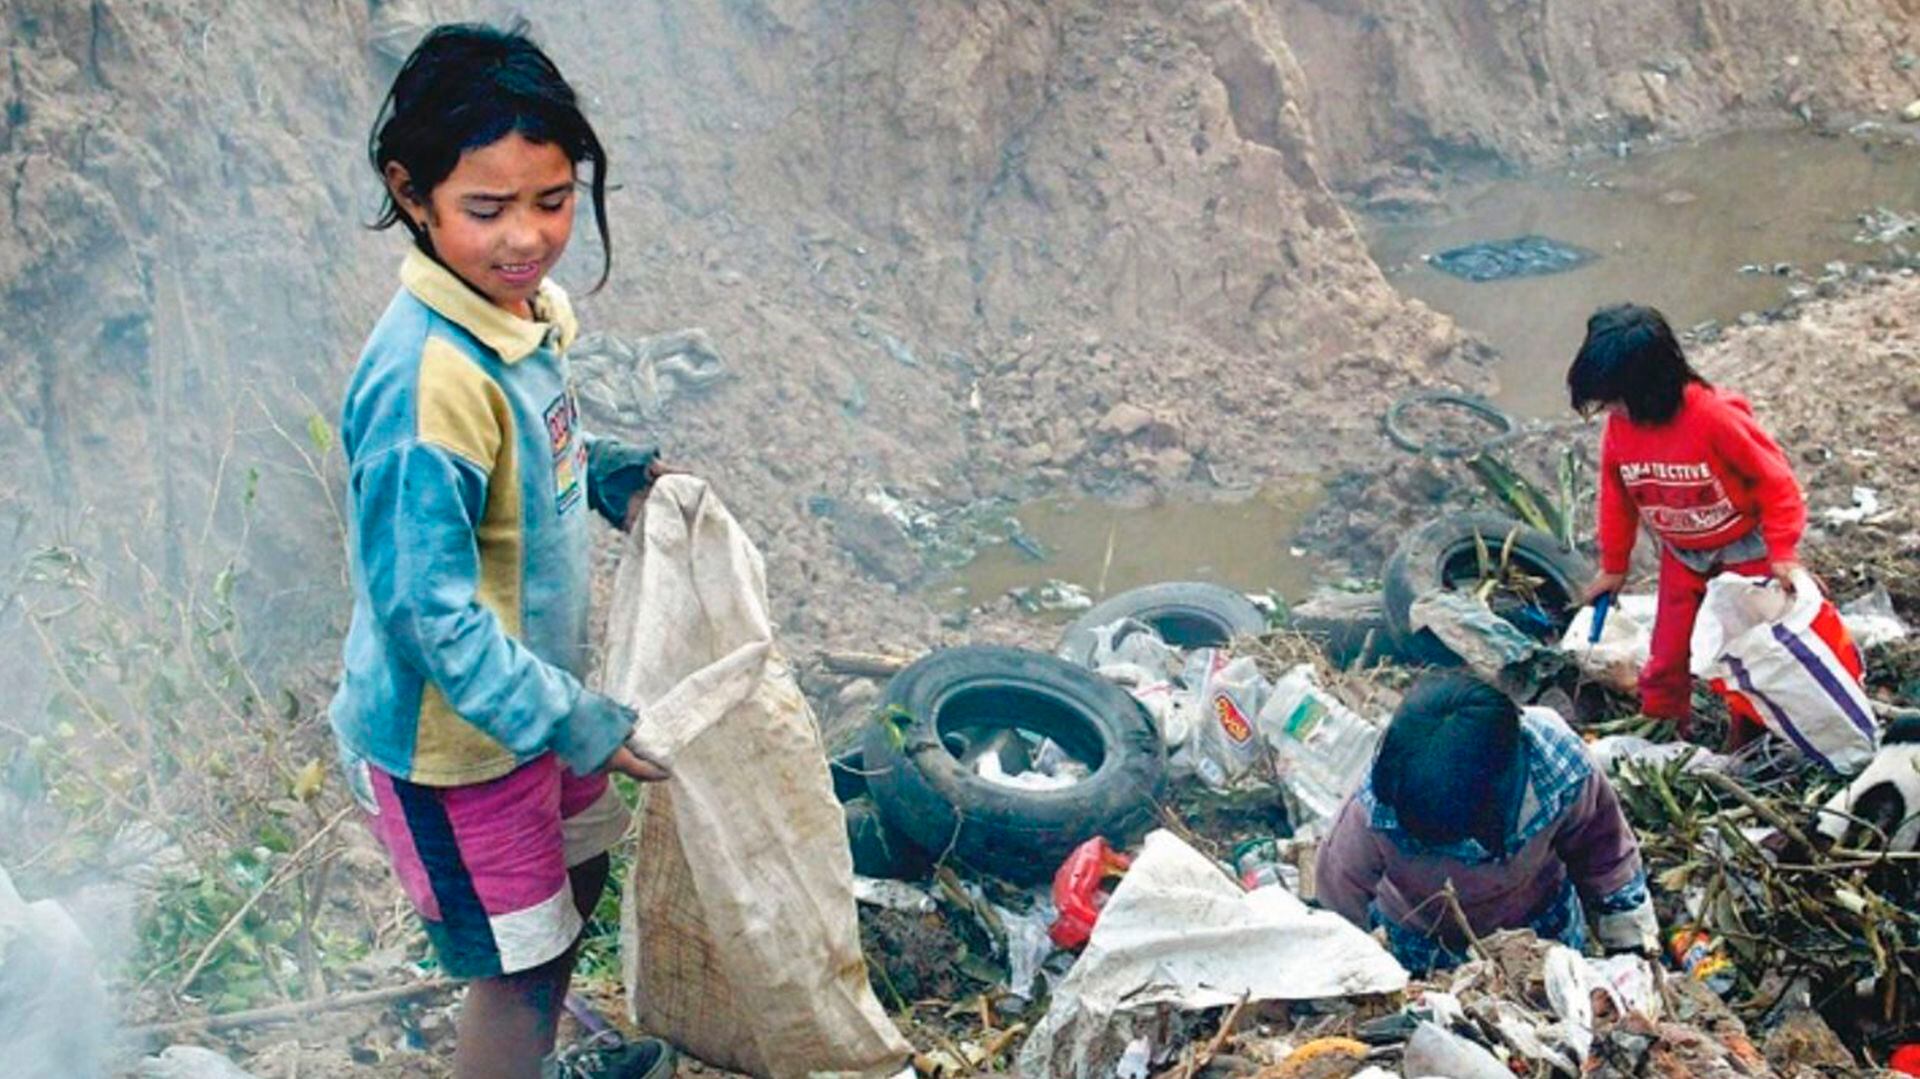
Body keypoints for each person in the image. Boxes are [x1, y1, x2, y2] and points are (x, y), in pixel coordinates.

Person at [330, 22, 674, 1079]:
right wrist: (569, 718)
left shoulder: (514, 314)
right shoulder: (426, 380)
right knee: (517, 966)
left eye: (554, 198)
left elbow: (520, 455)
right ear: (412, 190)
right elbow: (426, 612)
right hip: (462, 741)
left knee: (572, 890)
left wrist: (600, 469)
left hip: (532, 704)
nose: (526, 235)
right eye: (487, 209)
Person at [1569, 303, 1806, 737]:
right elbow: (1617, 498)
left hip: (1744, 551)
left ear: (1648, 387)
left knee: (1748, 648)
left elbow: (1777, 483)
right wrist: (1614, 566)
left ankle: (1749, 734)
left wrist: (1784, 554)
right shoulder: (1621, 432)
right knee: (1666, 654)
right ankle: (1665, 728)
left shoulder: (1713, 418)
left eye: (1617, 401)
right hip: (1684, 555)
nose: (1611, 411)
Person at [1315, 674, 1658, 973]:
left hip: (1541, 935)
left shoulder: (1561, 771)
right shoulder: (1375, 808)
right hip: (1423, 945)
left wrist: (1628, 950)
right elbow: (1336, 912)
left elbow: (1606, 858)